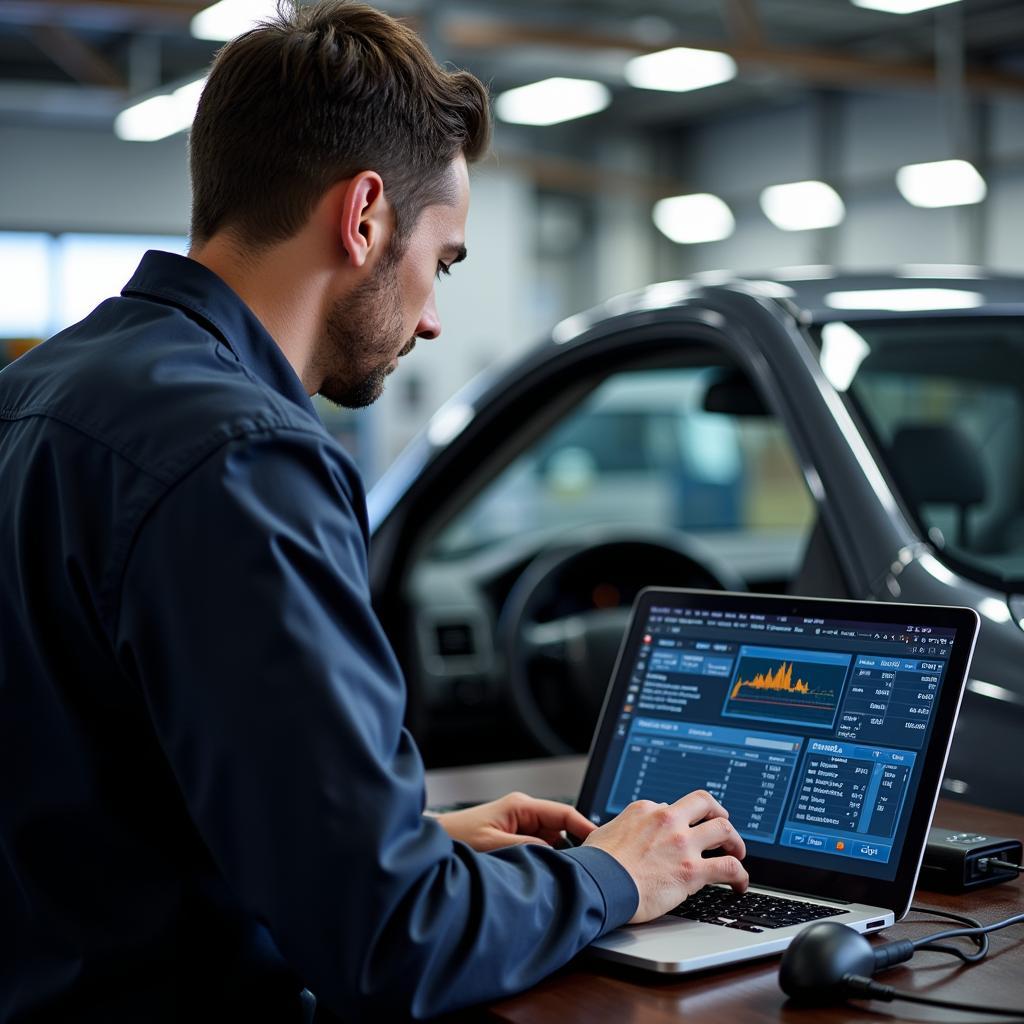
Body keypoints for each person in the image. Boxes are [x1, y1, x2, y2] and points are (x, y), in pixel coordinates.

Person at [0, 2, 749, 1020]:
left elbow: (99, 797)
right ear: (363, 217)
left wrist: (419, 835)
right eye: (440, 260)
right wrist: (617, 872)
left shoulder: (44, 391)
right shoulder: (244, 459)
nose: (433, 314)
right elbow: (394, 940)